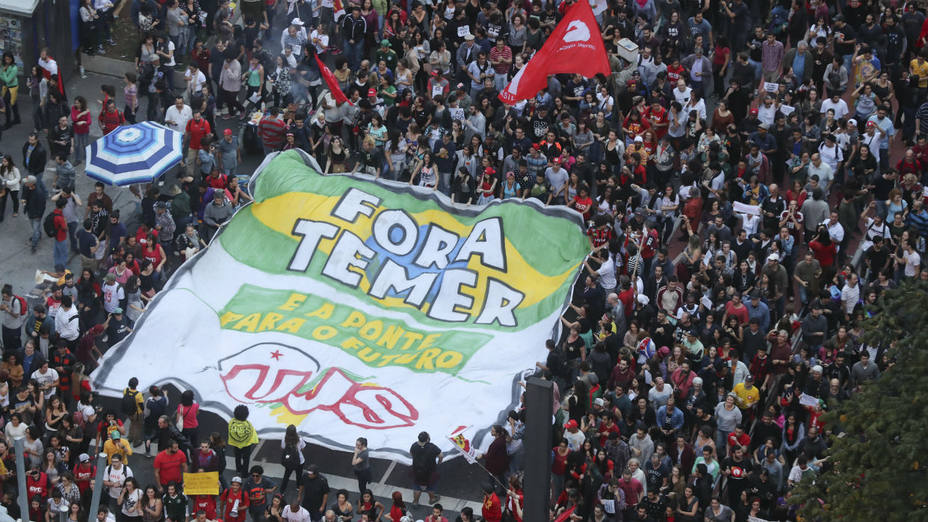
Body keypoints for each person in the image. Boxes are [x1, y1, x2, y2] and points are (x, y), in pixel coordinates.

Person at [409, 431, 442, 505]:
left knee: (417, 486)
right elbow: (441, 456)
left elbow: (411, 453)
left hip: (417, 471)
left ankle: (415, 502)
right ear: (427, 439)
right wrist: (439, 462)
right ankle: (432, 499)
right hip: (430, 472)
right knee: (430, 486)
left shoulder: (414, 445)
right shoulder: (432, 447)